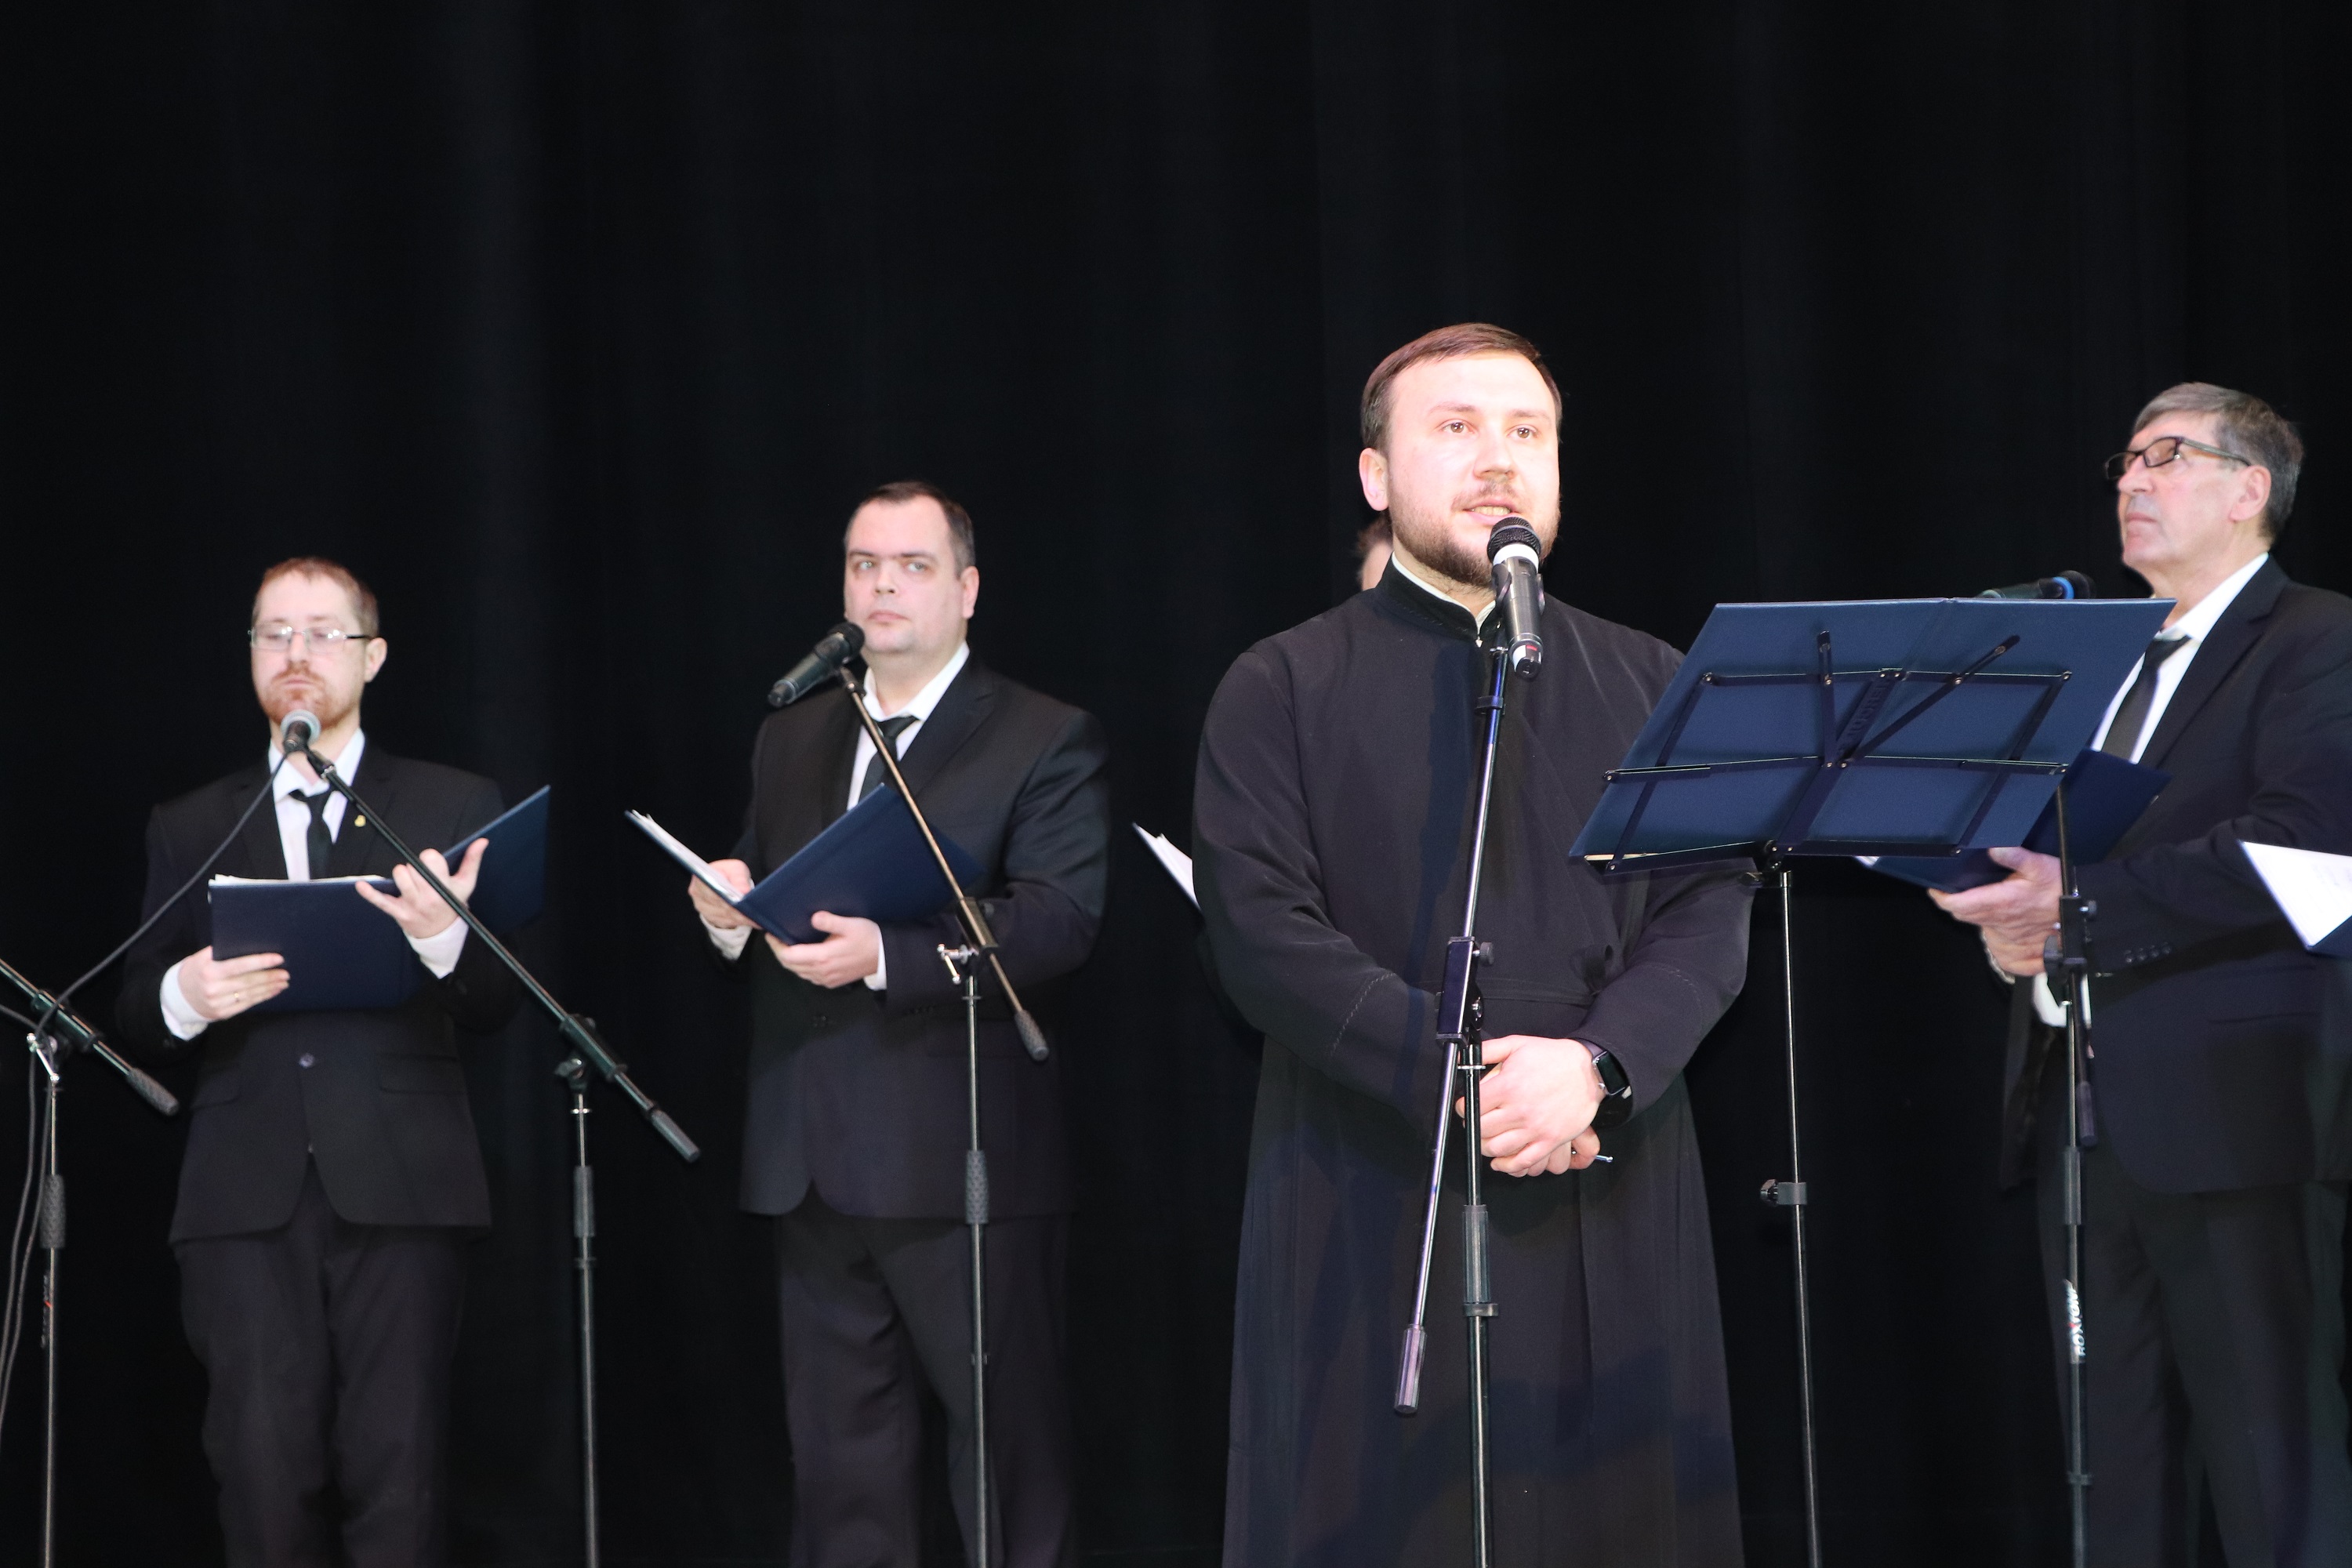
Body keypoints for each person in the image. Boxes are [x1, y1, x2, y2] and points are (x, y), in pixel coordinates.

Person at [1193, 323, 1753, 1566]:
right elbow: (1260, 930)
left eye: (1527, 432)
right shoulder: (1280, 685)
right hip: (1370, 1163)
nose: (1499, 458)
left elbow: (1710, 911)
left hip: (1602, 1154)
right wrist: (1462, 1074)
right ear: (1375, 475)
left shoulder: (1655, 679)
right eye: (1456, 428)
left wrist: (1595, 1066)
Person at [1932, 383, 2352, 1565]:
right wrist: (2016, 932)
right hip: (2081, 1114)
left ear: (2250, 488)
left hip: (2241, 1118)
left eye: (2166, 456)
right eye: (2125, 460)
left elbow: (2306, 846)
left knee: (2273, 1476)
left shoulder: (2319, 638)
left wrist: (2075, 908)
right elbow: (2061, 862)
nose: (2131, 480)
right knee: (2111, 1482)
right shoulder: (2103, 662)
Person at [687, 481, 1110, 1568]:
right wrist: (729, 911)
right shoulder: (793, 732)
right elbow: (772, 888)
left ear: (966, 591)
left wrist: (889, 956)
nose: (882, 585)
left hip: (963, 1154)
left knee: (1006, 1461)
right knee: (842, 1473)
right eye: (863, 565)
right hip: (809, 1154)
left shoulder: (1040, 733)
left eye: (912, 566)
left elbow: (1058, 921)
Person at [116, 557, 520, 1567]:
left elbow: (499, 1001)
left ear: (372, 658)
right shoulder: (193, 822)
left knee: (401, 1469)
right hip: (242, 1196)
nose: (296, 654)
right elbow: (132, 1010)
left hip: (404, 1183)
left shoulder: (449, 804)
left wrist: (444, 938)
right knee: (259, 1473)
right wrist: (183, 996)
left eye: (322, 633)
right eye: (274, 634)